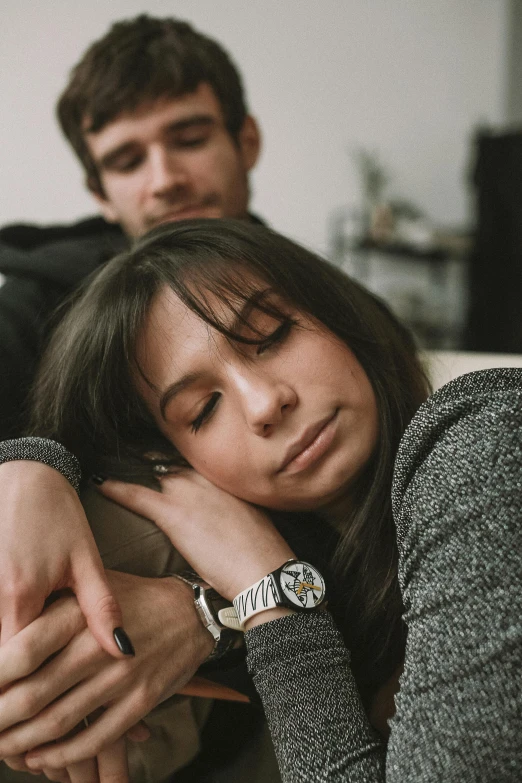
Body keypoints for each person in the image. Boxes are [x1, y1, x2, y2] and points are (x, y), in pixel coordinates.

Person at [9, 219, 519, 782]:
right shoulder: (351, 609)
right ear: (180, 465)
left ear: (336, 314)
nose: (263, 404)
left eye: (272, 335)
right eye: (202, 410)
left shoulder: (478, 441)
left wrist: (270, 591)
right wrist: (33, 462)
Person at [0, 14, 264, 780]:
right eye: (126, 158)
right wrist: (29, 459)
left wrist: (208, 610)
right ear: (99, 190)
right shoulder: (39, 294)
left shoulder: (326, 313)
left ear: (245, 141)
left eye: (188, 137)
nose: (165, 177)